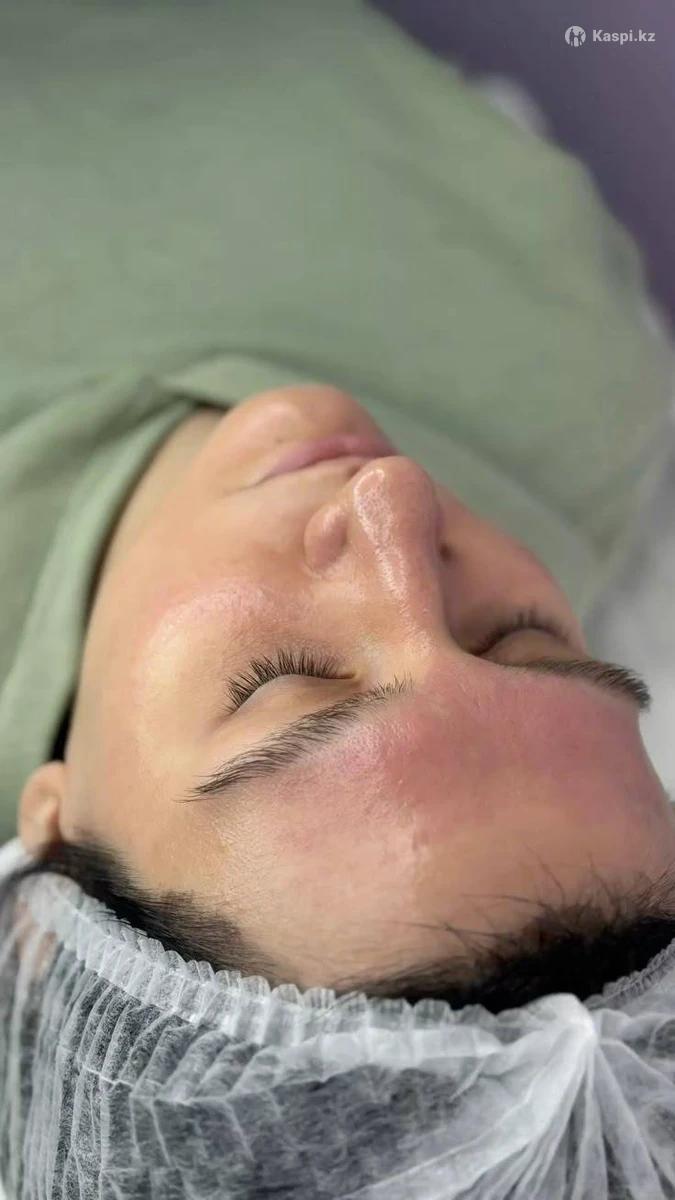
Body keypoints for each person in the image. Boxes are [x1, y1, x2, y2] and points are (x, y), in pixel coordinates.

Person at [1, 4, 675, 1194]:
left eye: (282, 682)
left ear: (50, 846)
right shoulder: (571, 364)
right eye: (524, 637)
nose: (395, 499)